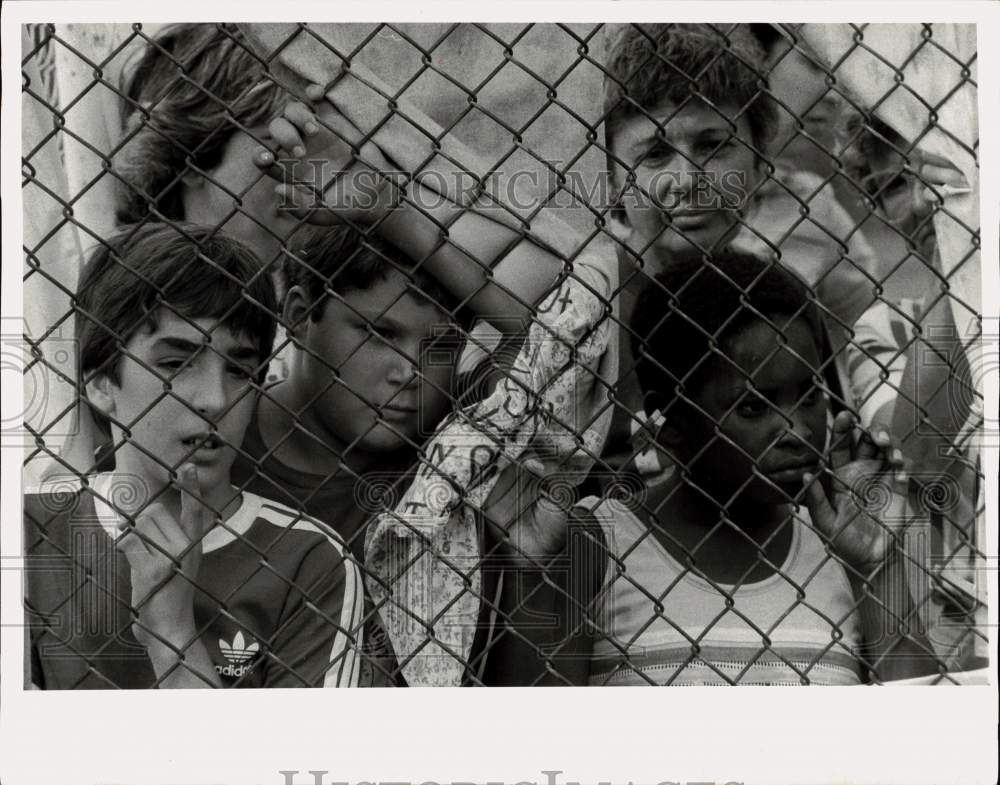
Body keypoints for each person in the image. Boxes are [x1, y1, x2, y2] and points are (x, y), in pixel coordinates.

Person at [24, 223, 364, 689]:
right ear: (102, 383)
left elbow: (285, 763)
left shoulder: (308, 560)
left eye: (240, 370)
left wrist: (172, 634)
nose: (214, 399)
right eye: (175, 363)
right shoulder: (30, 535)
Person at [582, 249, 938, 684]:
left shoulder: (840, 550)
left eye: (809, 396)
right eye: (753, 406)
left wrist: (879, 570)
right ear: (671, 421)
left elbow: (922, 725)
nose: (798, 431)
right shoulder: (598, 545)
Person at [598, 23, 904, 488]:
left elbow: (864, 326)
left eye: (713, 146)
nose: (687, 179)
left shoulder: (785, 284)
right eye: (656, 154)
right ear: (615, 178)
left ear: (761, 166)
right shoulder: (589, 298)